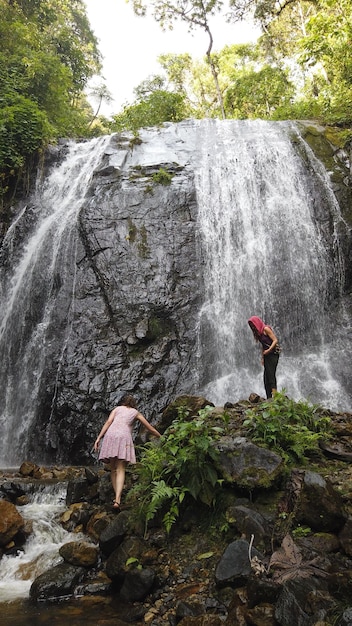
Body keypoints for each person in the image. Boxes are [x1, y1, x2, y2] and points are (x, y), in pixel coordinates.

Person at [94, 394, 161, 509]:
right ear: (134, 404)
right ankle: (118, 500)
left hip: (111, 435)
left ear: (123, 403)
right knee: (121, 468)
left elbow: (108, 422)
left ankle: (116, 498)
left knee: (113, 469)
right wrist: (160, 436)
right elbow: (149, 427)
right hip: (123, 436)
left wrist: (98, 438)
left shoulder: (117, 409)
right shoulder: (136, 412)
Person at [248, 316, 281, 399]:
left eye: (253, 325)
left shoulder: (266, 329)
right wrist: (262, 357)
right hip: (267, 355)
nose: (253, 327)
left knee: (271, 375)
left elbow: (275, 340)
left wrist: (269, 350)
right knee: (266, 378)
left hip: (273, 354)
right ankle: (269, 398)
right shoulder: (259, 333)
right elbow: (263, 346)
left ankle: (275, 397)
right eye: (251, 326)